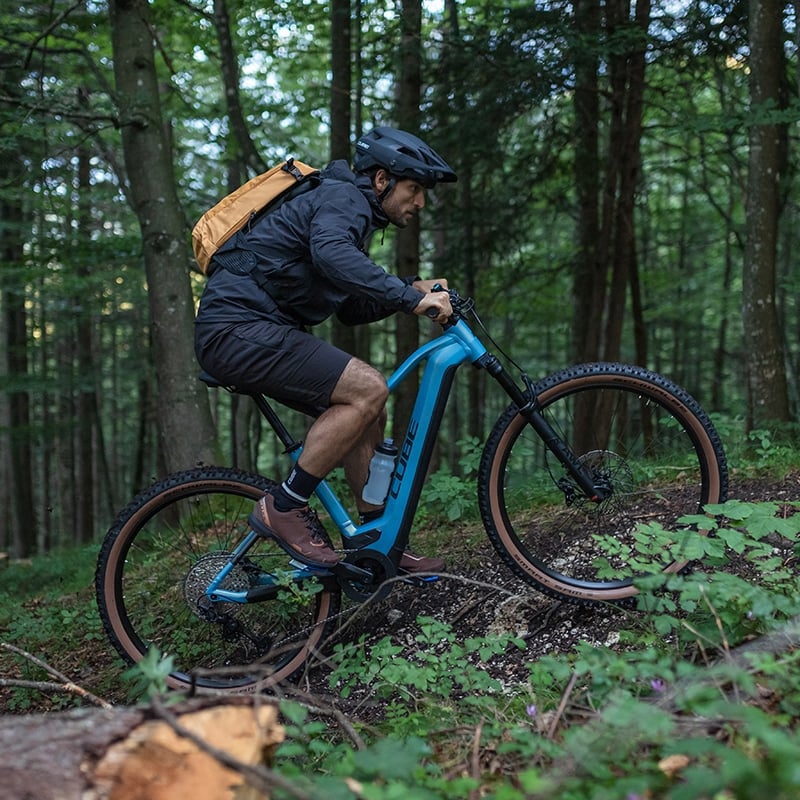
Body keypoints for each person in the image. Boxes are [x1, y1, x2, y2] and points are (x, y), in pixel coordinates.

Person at [194, 126, 457, 573]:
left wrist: (409, 289)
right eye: (414, 189)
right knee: (367, 388)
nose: (420, 203)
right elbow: (334, 255)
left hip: (251, 330)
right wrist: (411, 298)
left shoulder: (339, 212)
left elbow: (351, 307)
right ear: (381, 180)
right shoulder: (343, 198)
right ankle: (284, 506)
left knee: (368, 407)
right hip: (237, 329)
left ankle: (377, 543)